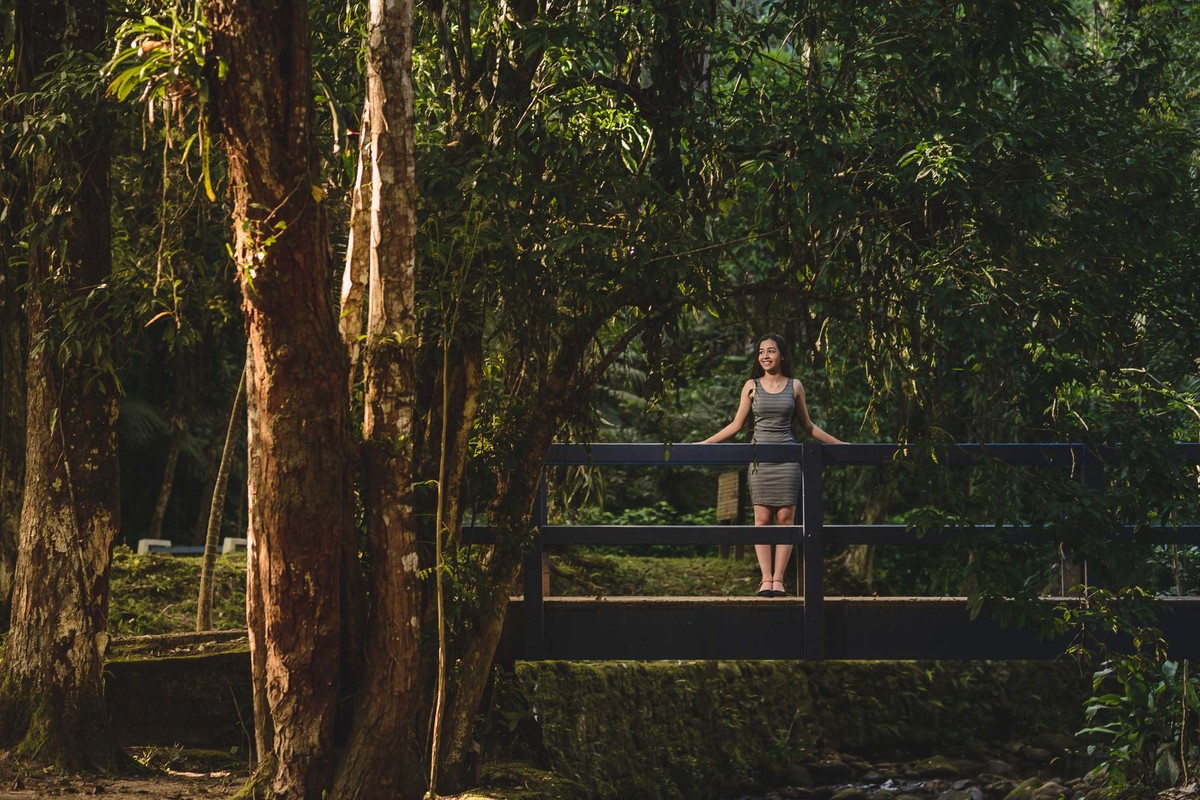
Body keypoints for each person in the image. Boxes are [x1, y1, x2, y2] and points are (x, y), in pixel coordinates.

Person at [701, 333, 843, 597]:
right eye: (761, 352)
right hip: (760, 460)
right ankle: (765, 580)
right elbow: (736, 425)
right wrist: (704, 444)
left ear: (782, 356)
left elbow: (808, 427)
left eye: (771, 351)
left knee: (786, 519)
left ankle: (779, 580)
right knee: (762, 519)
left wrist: (841, 446)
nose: (765, 356)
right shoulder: (751, 385)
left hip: (788, 459)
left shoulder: (795, 386)